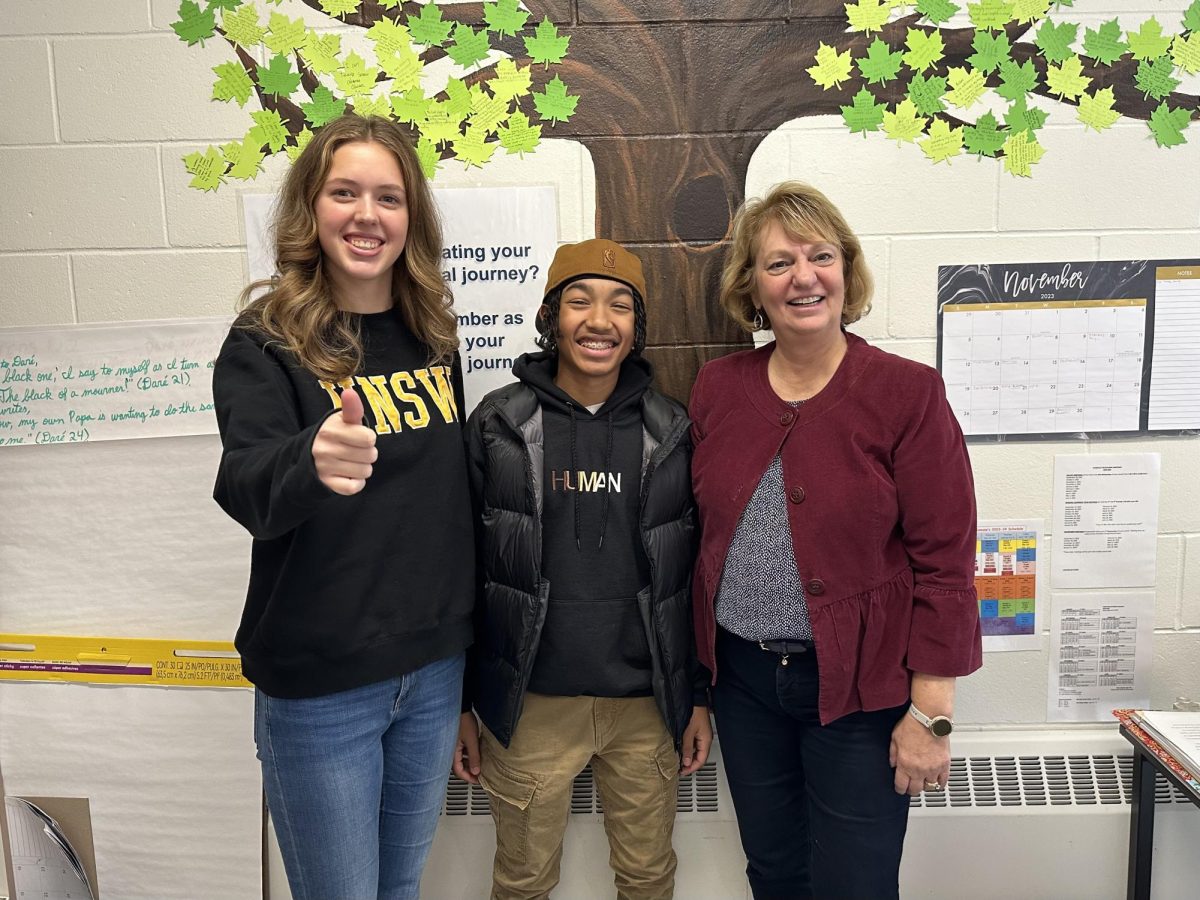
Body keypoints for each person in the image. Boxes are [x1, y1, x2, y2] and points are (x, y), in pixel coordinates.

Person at [689, 182, 982, 899]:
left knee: (856, 880)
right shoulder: (717, 388)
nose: (803, 276)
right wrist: (697, 689)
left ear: (846, 272)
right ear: (752, 288)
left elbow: (944, 562)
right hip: (745, 684)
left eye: (820, 256)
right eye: (778, 262)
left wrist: (930, 713)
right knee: (775, 871)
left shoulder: (906, 394)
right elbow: (695, 545)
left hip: (861, 688)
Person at [211, 114, 474, 900]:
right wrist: (310, 459)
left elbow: (449, 507)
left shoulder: (432, 334)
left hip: (431, 672)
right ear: (311, 209)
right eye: (345, 192)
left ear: (411, 217)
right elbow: (245, 485)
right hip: (322, 686)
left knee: (400, 891)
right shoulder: (266, 340)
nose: (368, 214)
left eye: (388, 197)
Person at [453, 239, 712, 900]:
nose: (599, 319)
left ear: (637, 327)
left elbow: (695, 579)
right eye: (580, 300)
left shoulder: (673, 431)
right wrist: (460, 705)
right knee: (522, 881)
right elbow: (461, 572)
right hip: (530, 703)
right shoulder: (498, 426)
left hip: (645, 707)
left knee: (649, 878)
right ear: (551, 317)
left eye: (620, 305)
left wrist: (699, 697)